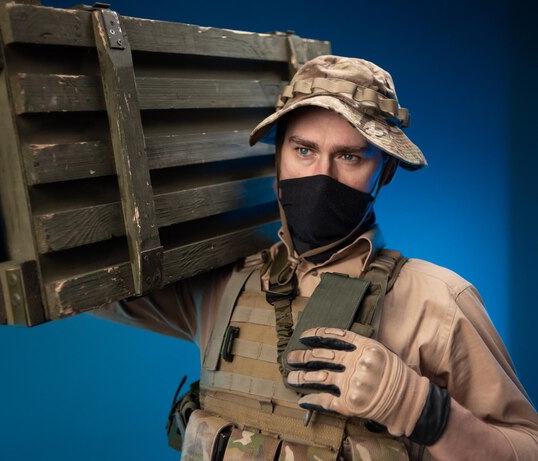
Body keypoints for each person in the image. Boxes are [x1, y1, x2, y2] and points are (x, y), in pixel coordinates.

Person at [93, 55, 538, 460]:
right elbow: (86, 286)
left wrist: (422, 410)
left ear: (383, 171)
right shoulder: (225, 280)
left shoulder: (436, 301)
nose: (321, 176)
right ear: (278, 160)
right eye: (303, 150)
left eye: (348, 156)